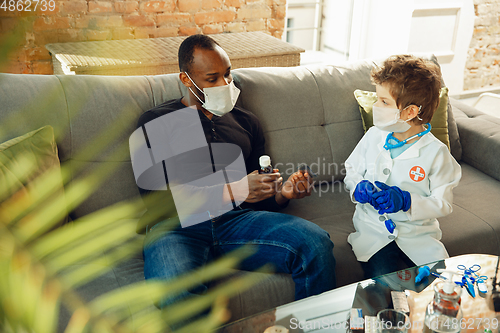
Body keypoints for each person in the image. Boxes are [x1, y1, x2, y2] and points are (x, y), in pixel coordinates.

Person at [135, 34, 336, 315]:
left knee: (315, 243)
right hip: (176, 227)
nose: (225, 85)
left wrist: (282, 194)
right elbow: (156, 198)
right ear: (185, 78)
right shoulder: (157, 120)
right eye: (212, 78)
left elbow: (259, 194)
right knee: (176, 292)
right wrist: (234, 190)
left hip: (236, 221)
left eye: (228, 75)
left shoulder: (245, 120)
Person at [344, 54, 461, 279]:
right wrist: (358, 187)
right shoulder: (374, 136)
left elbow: (443, 203)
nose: (376, 106)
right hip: (374, 231)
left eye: (384, 102)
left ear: (410, 112)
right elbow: (352, 169)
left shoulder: (437, 153)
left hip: (417, 235)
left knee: (437, 282)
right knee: (385, 285)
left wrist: (407, 202)